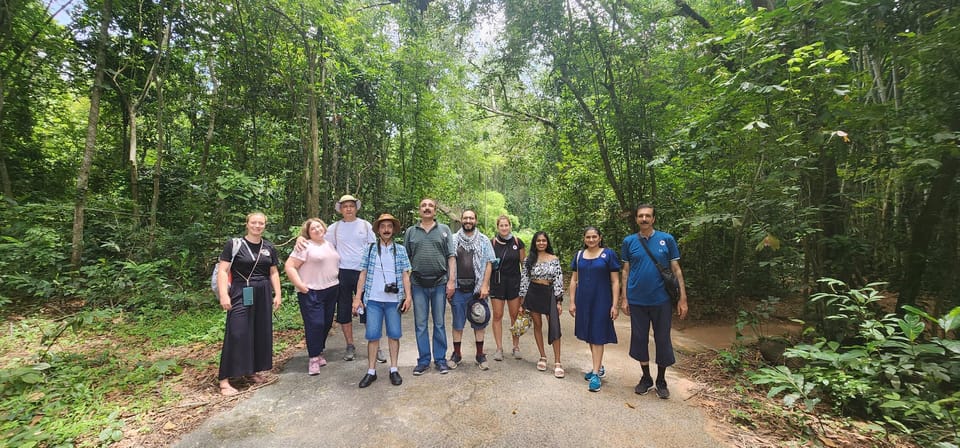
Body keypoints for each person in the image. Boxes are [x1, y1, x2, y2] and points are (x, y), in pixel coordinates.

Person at [297, 195, 379, 363]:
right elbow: (317, 240)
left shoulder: (365, 225)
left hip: (363, 272)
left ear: (356, 208)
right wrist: (301, 238)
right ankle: (350, 345)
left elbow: (373, 248)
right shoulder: (334, 228)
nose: (348, 208)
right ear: (340, 209)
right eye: (345, 206)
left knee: (370, 309)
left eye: (351, 205)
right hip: (342, 273)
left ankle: (376, 346)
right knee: (343, 310)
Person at [620, 204, 688, 399]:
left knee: (662, 339)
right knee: (640, 339)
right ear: (636, 219)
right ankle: (646, 377)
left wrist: (682, 298)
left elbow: (676, 270)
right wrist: (624, 298)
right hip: (637, 300)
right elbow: (625, 270)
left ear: (654, 219)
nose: (644, 219)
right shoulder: (629, 242)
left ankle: (661, 380)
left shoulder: (667, 240)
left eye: (647, 216)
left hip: (661, 300)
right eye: (640, 216)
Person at [216, 212, 282, 396]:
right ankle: (224, 380)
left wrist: (278, 294)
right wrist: (224, 295)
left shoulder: (268, 246)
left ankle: (251, 370)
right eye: (254, 222)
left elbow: (274, 271)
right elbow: (223, 271)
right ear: (247, 224)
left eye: (261, 223)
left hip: (263, 292)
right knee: (237, 332)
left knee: (258, 332)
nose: (257, 226)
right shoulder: (234, 244)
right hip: (240, 290)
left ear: (265, 226)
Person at [352, 213, 413, 388]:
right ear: (378, 230)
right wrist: (358, 297)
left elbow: (405, 275)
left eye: (389, 226)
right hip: (373, 300)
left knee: (394, 334)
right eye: (383, 226)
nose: (386, 230)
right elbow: (362, 274)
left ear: (393, 230)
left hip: (394, 301)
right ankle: (371, 371)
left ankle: (394, 368)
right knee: (372, 336)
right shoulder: (370, 249)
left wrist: (408, 297)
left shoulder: (400, 249)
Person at [404, 198, 456, 375]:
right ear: (419, 210)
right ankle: (424, 360)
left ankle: (440, 360)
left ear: (435, 211)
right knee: (420, 324)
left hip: (440, 283)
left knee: (439, 323)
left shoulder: (444, 230)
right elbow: (405, 261)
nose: (427, 208)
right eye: (424, 206)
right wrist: (406, 289)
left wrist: (451, 281)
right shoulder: (411, 232)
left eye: (430, 206)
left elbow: (451, 257)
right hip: (418, 284)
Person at [285, 219, 340, 376]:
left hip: (331, 288)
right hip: (311, 291)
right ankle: (313, 358)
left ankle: (319, 351)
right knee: (315, 323)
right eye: (312, 228)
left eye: (319, 226)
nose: (317, 229)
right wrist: (300, 285)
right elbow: (289, 266)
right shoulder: (304, 246)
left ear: (324, 228)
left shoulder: (329, 244)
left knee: (326, 323)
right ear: (308, 233)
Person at [568, 227, 621, 392]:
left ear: (600, 238)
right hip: (584, 301)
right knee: (590, 334)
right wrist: (571, 301)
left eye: (594, 237)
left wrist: (614, 304)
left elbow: (615, 282)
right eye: (588, 237)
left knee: (598, 335)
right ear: (584, 238)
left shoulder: (608, 254)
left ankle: (596, 374)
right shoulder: (579, 256)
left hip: (602, 301)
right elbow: (573, 280)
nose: (591, 240)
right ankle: (597, 366)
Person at [449, 210, 495, 370]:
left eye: (471, 218)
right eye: (465, 218)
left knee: (479, 321)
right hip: (458, 289)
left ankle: (480, 355)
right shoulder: (453, 240)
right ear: (461, 220)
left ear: (476, 220)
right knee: (457, 323)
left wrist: (484, 285)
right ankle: (457, 354)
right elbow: (449, 260)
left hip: (477, 289)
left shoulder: (483, 240)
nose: (468, 220)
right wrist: (450, 283)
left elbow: (490, 262)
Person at [519, 231, 565, 378]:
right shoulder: (528, 260)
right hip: (533, 292)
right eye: (538, 241)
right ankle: (543, 356)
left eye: (543, 240)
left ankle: (558, 362)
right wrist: (522, 302)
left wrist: (559, 301)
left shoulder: (554, 259)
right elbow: (524, 280)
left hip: (549, 293)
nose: (541, 243)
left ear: (547, 242)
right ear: (534, 242)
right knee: (537, 325)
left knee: (554, 326)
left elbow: (558, 279)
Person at [489, 215, 526, 361]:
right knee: (497, 315)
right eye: (501, 226)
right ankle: (499, 348)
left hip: (514, 283)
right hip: (497, 282)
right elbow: (487, 264)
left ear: (510, 226)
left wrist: (525, 287)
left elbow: (524, 265)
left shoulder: (518, 242)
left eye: (506, 225)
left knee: (515, 316)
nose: (504, 228)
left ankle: (516, 346)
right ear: (497, 227)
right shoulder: (491, 243)